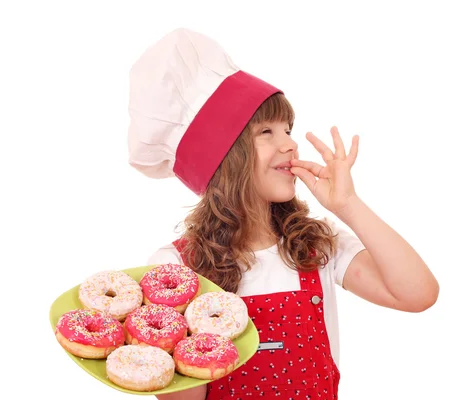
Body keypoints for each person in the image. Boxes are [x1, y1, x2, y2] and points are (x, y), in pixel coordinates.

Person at [127, 28, 439, 400]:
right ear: (223, 158)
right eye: (267, 132)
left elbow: (418, 294)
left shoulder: (316, 246)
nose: (290, 143)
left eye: (288, 129)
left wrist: (347, 205)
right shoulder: (177, 271)